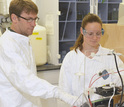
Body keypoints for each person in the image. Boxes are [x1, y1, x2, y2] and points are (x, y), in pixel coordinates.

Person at [0, 0, 82, 107]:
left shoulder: (23, 40)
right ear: (14, 18)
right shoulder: (7, 45)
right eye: (29, 19)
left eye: (35, 19)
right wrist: (61, 94)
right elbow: (26, 81)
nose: (34, 24)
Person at [59, 13, 124, 106]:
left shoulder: (110, 56)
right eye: (90, 34)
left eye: (98, 33)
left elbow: (121, 80)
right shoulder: (71, 58)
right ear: (82, 31)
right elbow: (63, 92)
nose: (95, 38)